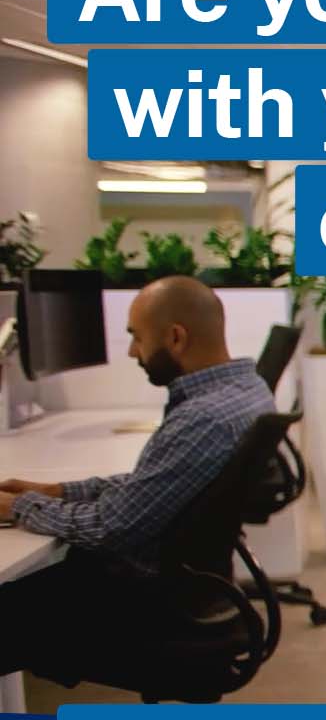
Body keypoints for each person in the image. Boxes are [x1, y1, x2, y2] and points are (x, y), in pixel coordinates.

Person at [0, 275, 276, 676]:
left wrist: (19, 507)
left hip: (142, 595)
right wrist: (59, 490)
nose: (132, 351)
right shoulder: (245, 390)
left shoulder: (201, 419)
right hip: (187, 584)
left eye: (137, 337)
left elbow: (111, 528)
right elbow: (156, 483)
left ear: (176, 338)